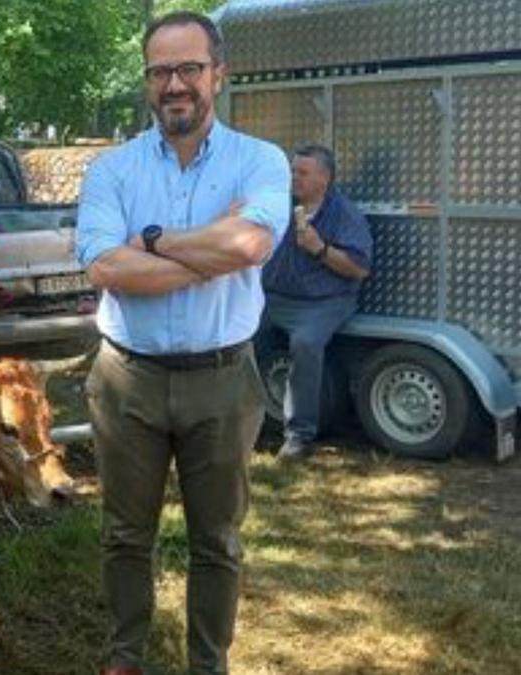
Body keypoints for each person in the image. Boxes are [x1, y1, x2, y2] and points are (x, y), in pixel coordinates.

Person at [74, 12, 290, 675]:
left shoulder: (262, 160)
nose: (175, 84)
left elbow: (252, 243)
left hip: (223, 378)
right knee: (123, 535)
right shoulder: (112, 170)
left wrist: (156, 240)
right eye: (160, 71)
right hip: (126, 378)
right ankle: (124, 656)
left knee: (218, 539)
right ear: (147, 82)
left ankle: (207, 663)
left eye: (189, 68)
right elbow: (106, 269)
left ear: (218, 75)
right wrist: (210, 249)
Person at [259, 144, 372, 460]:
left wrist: (319, 248)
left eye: (302, 172)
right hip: (274, 299)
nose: (294, 178)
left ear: (324, 177)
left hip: (324, 303)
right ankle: (242, 422)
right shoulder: (280, 206)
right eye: (293, 171)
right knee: (236, 337)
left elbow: (359, 268)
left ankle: (299, 436)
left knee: (306, 343)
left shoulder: (344, 214)